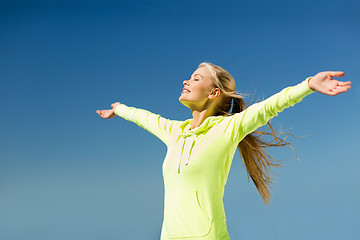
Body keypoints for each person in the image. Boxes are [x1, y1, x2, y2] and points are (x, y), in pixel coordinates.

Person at [96, 63, 351, 240]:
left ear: (214, 93)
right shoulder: (174, 131)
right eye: (189, 77)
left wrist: (308, 85)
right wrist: (119, 109)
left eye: (196, 78)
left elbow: (268, 107)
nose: (186, 80)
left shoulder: (227, 129)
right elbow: (146, 117)